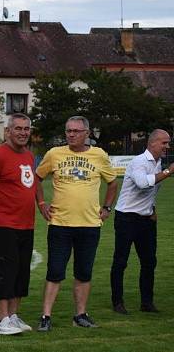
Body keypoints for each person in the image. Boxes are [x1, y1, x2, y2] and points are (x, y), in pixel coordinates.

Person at [36, 115, 118, 331]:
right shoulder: (54, 154)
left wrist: (107, 207)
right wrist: (42, 203)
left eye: (76, 131)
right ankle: (46, 316)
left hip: (90, 224)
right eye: (68, 131)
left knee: (84, 272)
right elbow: (37, 178)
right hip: (60, 224)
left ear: (87, 134)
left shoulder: (98, 155)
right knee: (54, 271)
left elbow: (112, 183)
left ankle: (80, 314)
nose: (71, 134)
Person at [0, 113, 39, 335]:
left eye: (26, 129)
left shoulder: (28, 155)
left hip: (26, 223)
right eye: (18, 128)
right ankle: (2, 319)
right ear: (8, 131)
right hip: (4, 223)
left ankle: (14, 316)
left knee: (22, 270)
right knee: (7, 269)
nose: (23, 132)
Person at [110, 129, 171, 314]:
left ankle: (147, 302)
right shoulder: (139, 162)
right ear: (152, 143)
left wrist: (152, 209)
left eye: (168, 143)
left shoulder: (158, 163)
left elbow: (151, 192)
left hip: (146, 219)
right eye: (164, 143)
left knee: (149, 262)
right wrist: (169, 171)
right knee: (121, 261)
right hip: (127, 218)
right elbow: (143, 183)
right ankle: (117, 302)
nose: (167, 147)